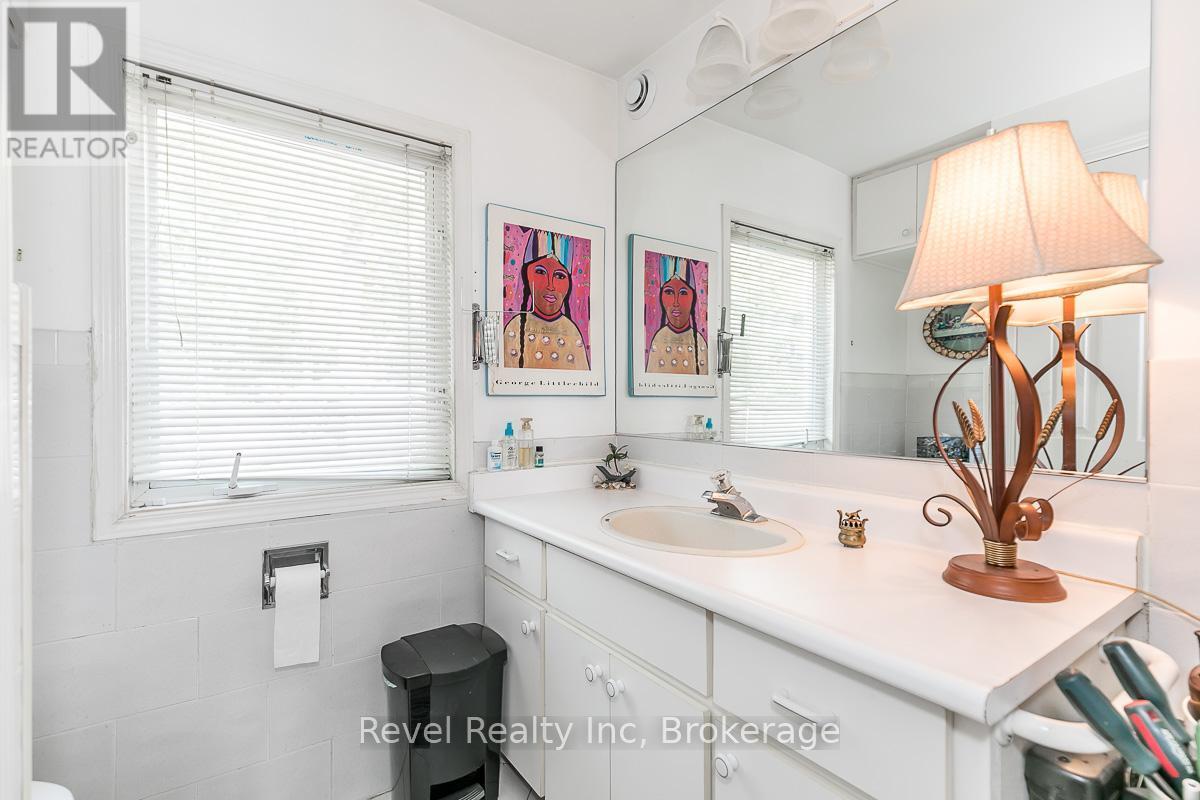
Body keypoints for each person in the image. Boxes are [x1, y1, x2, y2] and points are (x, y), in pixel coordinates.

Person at [503, 230, 590, 370]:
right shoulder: (514, 327)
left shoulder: (572, 332)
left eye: (560, 276)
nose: (550, 285)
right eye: (540, 272)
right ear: (527, 277)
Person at [647, 256, 707, 375]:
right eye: (669, 292)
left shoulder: (700, 342)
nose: (675, 302)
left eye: (683, 293)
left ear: (693, 298)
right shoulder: (659, 339)